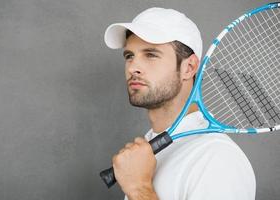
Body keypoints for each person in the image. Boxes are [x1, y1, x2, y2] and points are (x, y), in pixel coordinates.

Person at [104, 7, 256, 200]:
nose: (133, 67)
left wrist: (139, 190)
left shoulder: (217, 158)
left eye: (151, 55)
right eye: (129, 56)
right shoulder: (146, 150)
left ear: (189, 68)